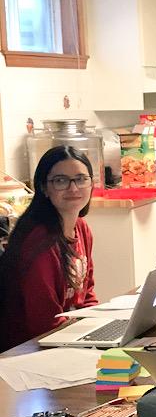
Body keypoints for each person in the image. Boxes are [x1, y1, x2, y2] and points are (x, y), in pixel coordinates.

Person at [0, 146, 98, 351]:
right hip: (29, 349)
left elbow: (87, 294)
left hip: (65, 337)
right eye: (60, 181)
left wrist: (98, 324)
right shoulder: (40, 242)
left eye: (81, 179)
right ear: (44, 187)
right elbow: (45, 324)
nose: (73, 189)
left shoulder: (81, 228)